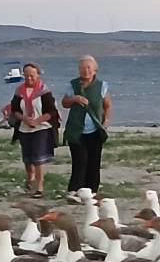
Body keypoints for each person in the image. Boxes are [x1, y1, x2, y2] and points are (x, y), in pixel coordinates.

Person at [61, 55, 112, 202]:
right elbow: (64, 103)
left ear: (95, 69)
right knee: (79, 161)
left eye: (88, 67)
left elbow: (107, 106)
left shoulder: (102, 86)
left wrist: (106, 122)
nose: (85, 70)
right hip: (76, 130)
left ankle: (91, 192)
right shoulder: (73, 85)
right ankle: (74, 191)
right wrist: (74, 99)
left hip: (95, 130)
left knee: (94, 161)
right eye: (82, 68)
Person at [10, 63, 60, 199]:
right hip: (24, 128)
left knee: (38, 158)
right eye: (26, 75)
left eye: (32, 75)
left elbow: (52, 111)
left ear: (38, 75)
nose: (29, 78)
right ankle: (30, 178)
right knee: (28, 159)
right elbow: (14, 110)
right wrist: (24, 118)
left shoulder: (44, 91)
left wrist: (37, 121)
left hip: (41, 128)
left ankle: (39, 187)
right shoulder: (19, 91)